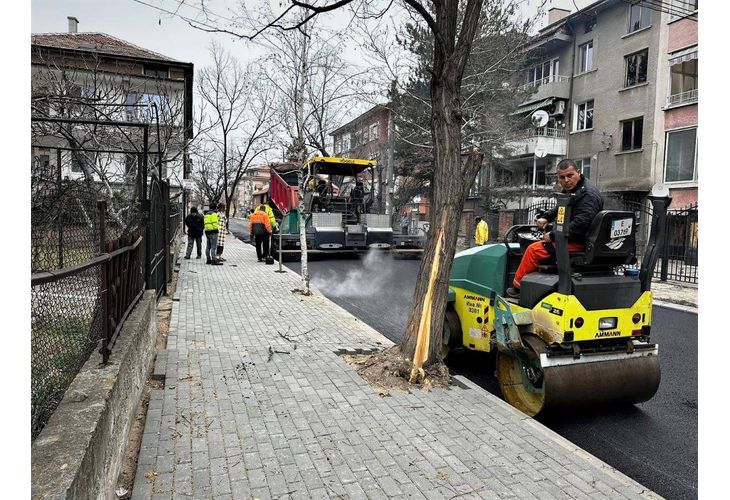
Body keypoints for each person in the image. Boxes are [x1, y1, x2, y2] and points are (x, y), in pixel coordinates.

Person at [506, 158, 603, 298]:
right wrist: (546, 217)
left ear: (579, 172)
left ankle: (517, 288)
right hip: (573, 237)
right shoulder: (576, 189)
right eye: (562, 177)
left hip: (579, 241)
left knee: (533, 250)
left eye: (570, 175)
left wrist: (552, 235)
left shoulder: (588, 195)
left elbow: (581, 224)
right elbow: (562, 207)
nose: (566, 180)